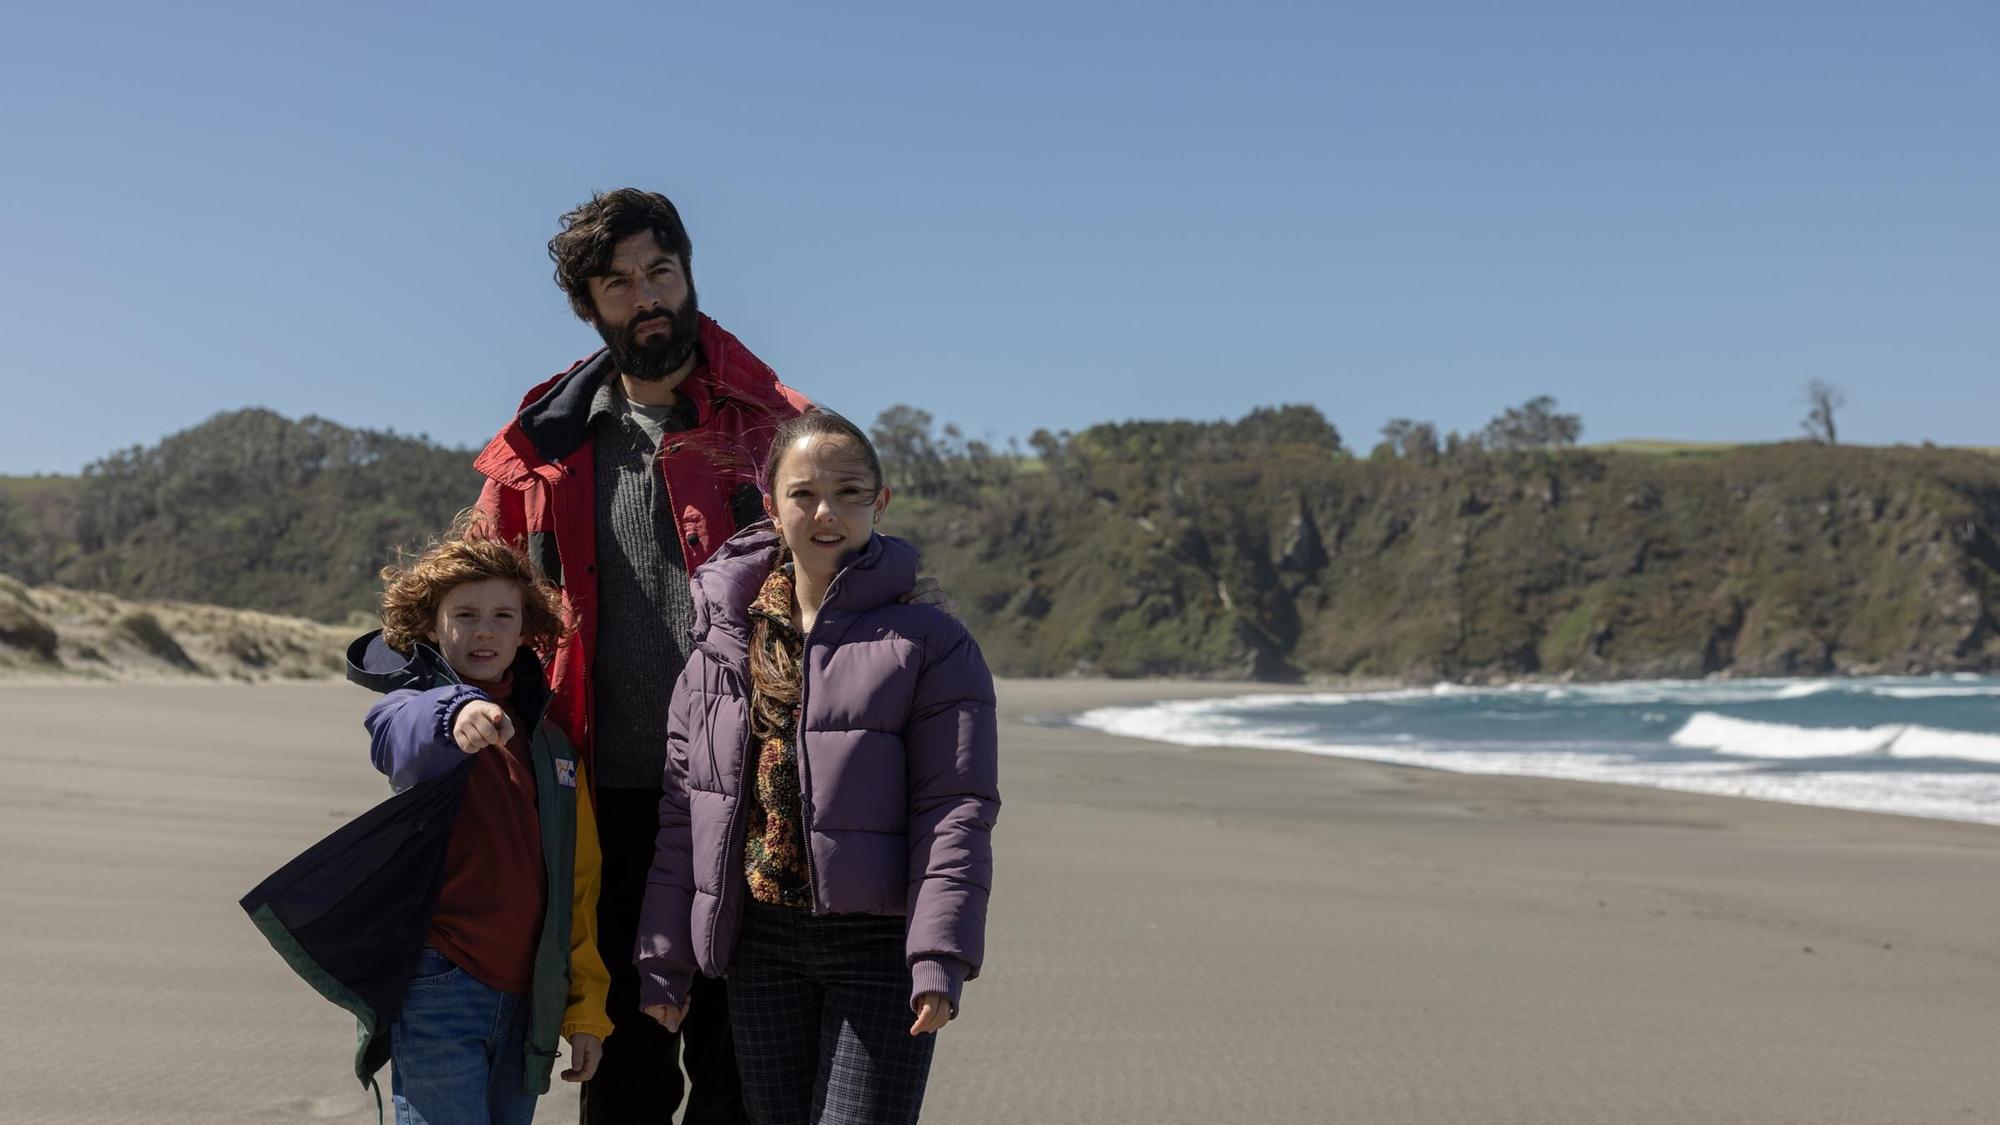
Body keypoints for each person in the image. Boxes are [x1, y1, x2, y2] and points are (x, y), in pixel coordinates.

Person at [474, 188, 950, 1124]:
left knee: (745, 1082)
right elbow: (482, 598)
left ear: (688, 273)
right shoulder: (547, 449)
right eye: (619, 283)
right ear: (590, 306)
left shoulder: (772, 425)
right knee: (622, 1077)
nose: (646, 296)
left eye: (661, 271)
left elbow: (851, 577)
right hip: (601, 808)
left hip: (749, 796)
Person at [634, 411, 1000, 1125]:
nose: (825, 511)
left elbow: (955, 808)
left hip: (879, 946)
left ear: (880, 502)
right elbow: (686, 813)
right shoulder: (720, 646)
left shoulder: (931, 641)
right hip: (761, 943)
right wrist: (666, 957)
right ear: (771, 505)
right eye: (803, 493)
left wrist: (938, 954)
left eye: (849, 490)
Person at [240, 524, 613, 1125]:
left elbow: (579, 886)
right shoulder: (412, 710)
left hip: (532, 999)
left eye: (502, 615)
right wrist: (457, 709)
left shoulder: (554, 748)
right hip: (442, 984)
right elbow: (400, 735)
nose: (484, 629)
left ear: (527, 631)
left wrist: (585, 1011)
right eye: (464, 614)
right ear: (431, 625)